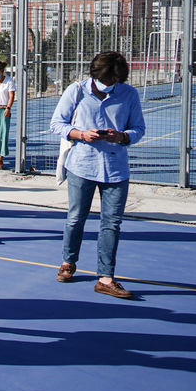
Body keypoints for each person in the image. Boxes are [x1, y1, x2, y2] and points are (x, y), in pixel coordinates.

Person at [50, 51, 146, 300]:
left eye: (114, 82)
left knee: (111, 224)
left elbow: (139, 128)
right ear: (94, 75)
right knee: (75, 218)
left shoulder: (129, 94)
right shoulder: (77, 90)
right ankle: (68, 263)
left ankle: (105, 277)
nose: (109, 85)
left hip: (116, 169)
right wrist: (81, 134)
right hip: (82, 165)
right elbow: (57, 124)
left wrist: (122, 136)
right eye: (106, 81)